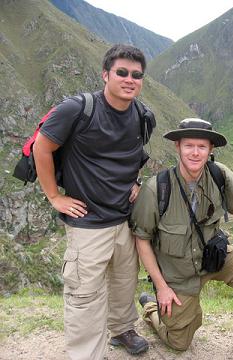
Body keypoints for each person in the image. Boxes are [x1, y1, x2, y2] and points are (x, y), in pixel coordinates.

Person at [33, 44, 150, 359]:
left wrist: (136, 182)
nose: (129, 79)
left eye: (136, 75)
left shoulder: (142, 114)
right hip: (87, 223)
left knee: (125, 283)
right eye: (122, 72)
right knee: (85, 294)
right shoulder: (77, 109)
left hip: (125, 219)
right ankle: (86, 354)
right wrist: (55, 197)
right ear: (105, 74)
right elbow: (41, 149)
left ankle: (123, 329)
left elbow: (135, 155)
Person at [130, 118, 233, 359]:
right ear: (177, 146)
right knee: (179, 342)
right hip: (177, 274)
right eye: (189, 145)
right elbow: (142, 239)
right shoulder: (156, 189)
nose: (195, 152)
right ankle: (151, 307)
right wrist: (161, 287)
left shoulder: (219, 175)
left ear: (210, 150)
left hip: (215, 258)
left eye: (202, 146)